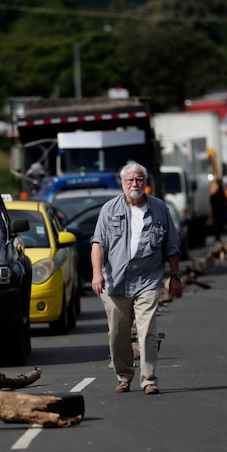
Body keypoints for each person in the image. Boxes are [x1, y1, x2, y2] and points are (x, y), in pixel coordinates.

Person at [90, 161, 183, 395]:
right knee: (118, 334)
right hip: (115, 281)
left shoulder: (160, 209)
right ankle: (123, 376)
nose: (134, 184)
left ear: (145, 183)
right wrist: (97, 273)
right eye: (130, 180)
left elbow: (172, 246)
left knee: (148, 330)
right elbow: (98, 244)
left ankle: (149, 379)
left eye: (139, 179)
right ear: (122, 183)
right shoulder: (109, 209)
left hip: (148, 280)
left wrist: (175, 276)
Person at [210, 178, 227, 242]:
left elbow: (226, 199)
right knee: (218, 226)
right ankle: (218, 238)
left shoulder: (219, 192)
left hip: (220, 213)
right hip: (219, 213)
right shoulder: (216, 191)